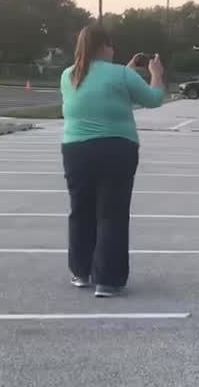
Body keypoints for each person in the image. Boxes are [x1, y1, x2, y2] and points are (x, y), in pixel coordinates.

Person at [58, 23, 166, 298]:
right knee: (111, 213)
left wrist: (126, 70)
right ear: (104, 47)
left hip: (75, 150)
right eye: (111, 45)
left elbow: (100, 93)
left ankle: (81, 272)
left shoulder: (69, 75)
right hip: (116, 148)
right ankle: (108, 279)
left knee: (81, 210)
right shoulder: (119, 74)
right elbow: (154, 99)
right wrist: (156, 74)